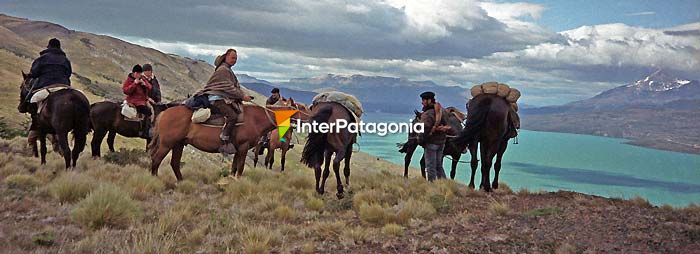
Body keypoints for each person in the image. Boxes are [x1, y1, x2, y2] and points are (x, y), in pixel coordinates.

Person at [193, 49, 253, 155]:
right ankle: (224, 139)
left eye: (236, 58)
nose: (234, 60)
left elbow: (232, 87)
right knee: (232, 116)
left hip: (221, 98)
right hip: (216, 99)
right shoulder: (224, 70)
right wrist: (242, 96)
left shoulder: (227, 69)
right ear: (226, 57)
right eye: (233, 58)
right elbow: (228, 87)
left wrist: (242, 95)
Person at [24, 38, 73, 145]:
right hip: (64, 87)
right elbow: (69, 73)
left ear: (49, 46)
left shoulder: (42, 59)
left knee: (32, 101)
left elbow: (34, 73)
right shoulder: (65, 60)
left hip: (46, 87)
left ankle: (35, 128)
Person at [417, 91, 451, 182]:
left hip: (431, 143)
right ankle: (444, 184)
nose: (422, 102)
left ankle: (432, 186)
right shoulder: (442, 111)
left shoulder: (427, 114)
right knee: (439, 165)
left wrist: (420, 141)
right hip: (441, 143)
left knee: (430, 166)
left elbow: (423, 130)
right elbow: (448, 126)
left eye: (423, 100)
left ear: (429, 100)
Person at [122, 64, 153, 138]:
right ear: (135, 73)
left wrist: (144, 84)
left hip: (143, 101)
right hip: (134, 102)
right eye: (138, 73)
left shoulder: (142, 78)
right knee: (148, 112)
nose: (140, 75)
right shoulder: (129, 80)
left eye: (140, 73)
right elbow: (126, 91)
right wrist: (134, 84)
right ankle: (145, 131)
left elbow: (150, 87)